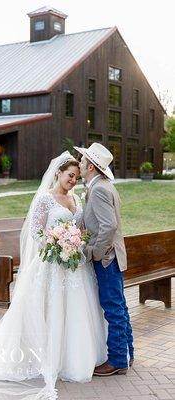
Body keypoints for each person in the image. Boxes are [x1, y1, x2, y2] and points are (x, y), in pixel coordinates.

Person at [0, 151, 107, 400]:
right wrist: (55, 245)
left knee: (76, 310)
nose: (73, 180)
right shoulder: (44, 200)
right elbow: (35, 233)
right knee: (49, 310)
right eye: (70, 175)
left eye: (76, 177)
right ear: (58, 173)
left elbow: (79, 228)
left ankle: (74, 357)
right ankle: (45, 356)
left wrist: (74, 242)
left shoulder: (76, 200)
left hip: (73, 266)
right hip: (50, 263)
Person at [74, 142, 134, 376]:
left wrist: (95, 253)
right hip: (114, 257)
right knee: (120, 307)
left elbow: (108, 227)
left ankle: (118, 359)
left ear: (90, 167)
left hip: (107, 259)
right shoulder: (103, 185)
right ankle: (127, 353)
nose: (79, 163)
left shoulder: (99, 189)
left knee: (113, 309)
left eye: (82, 160)